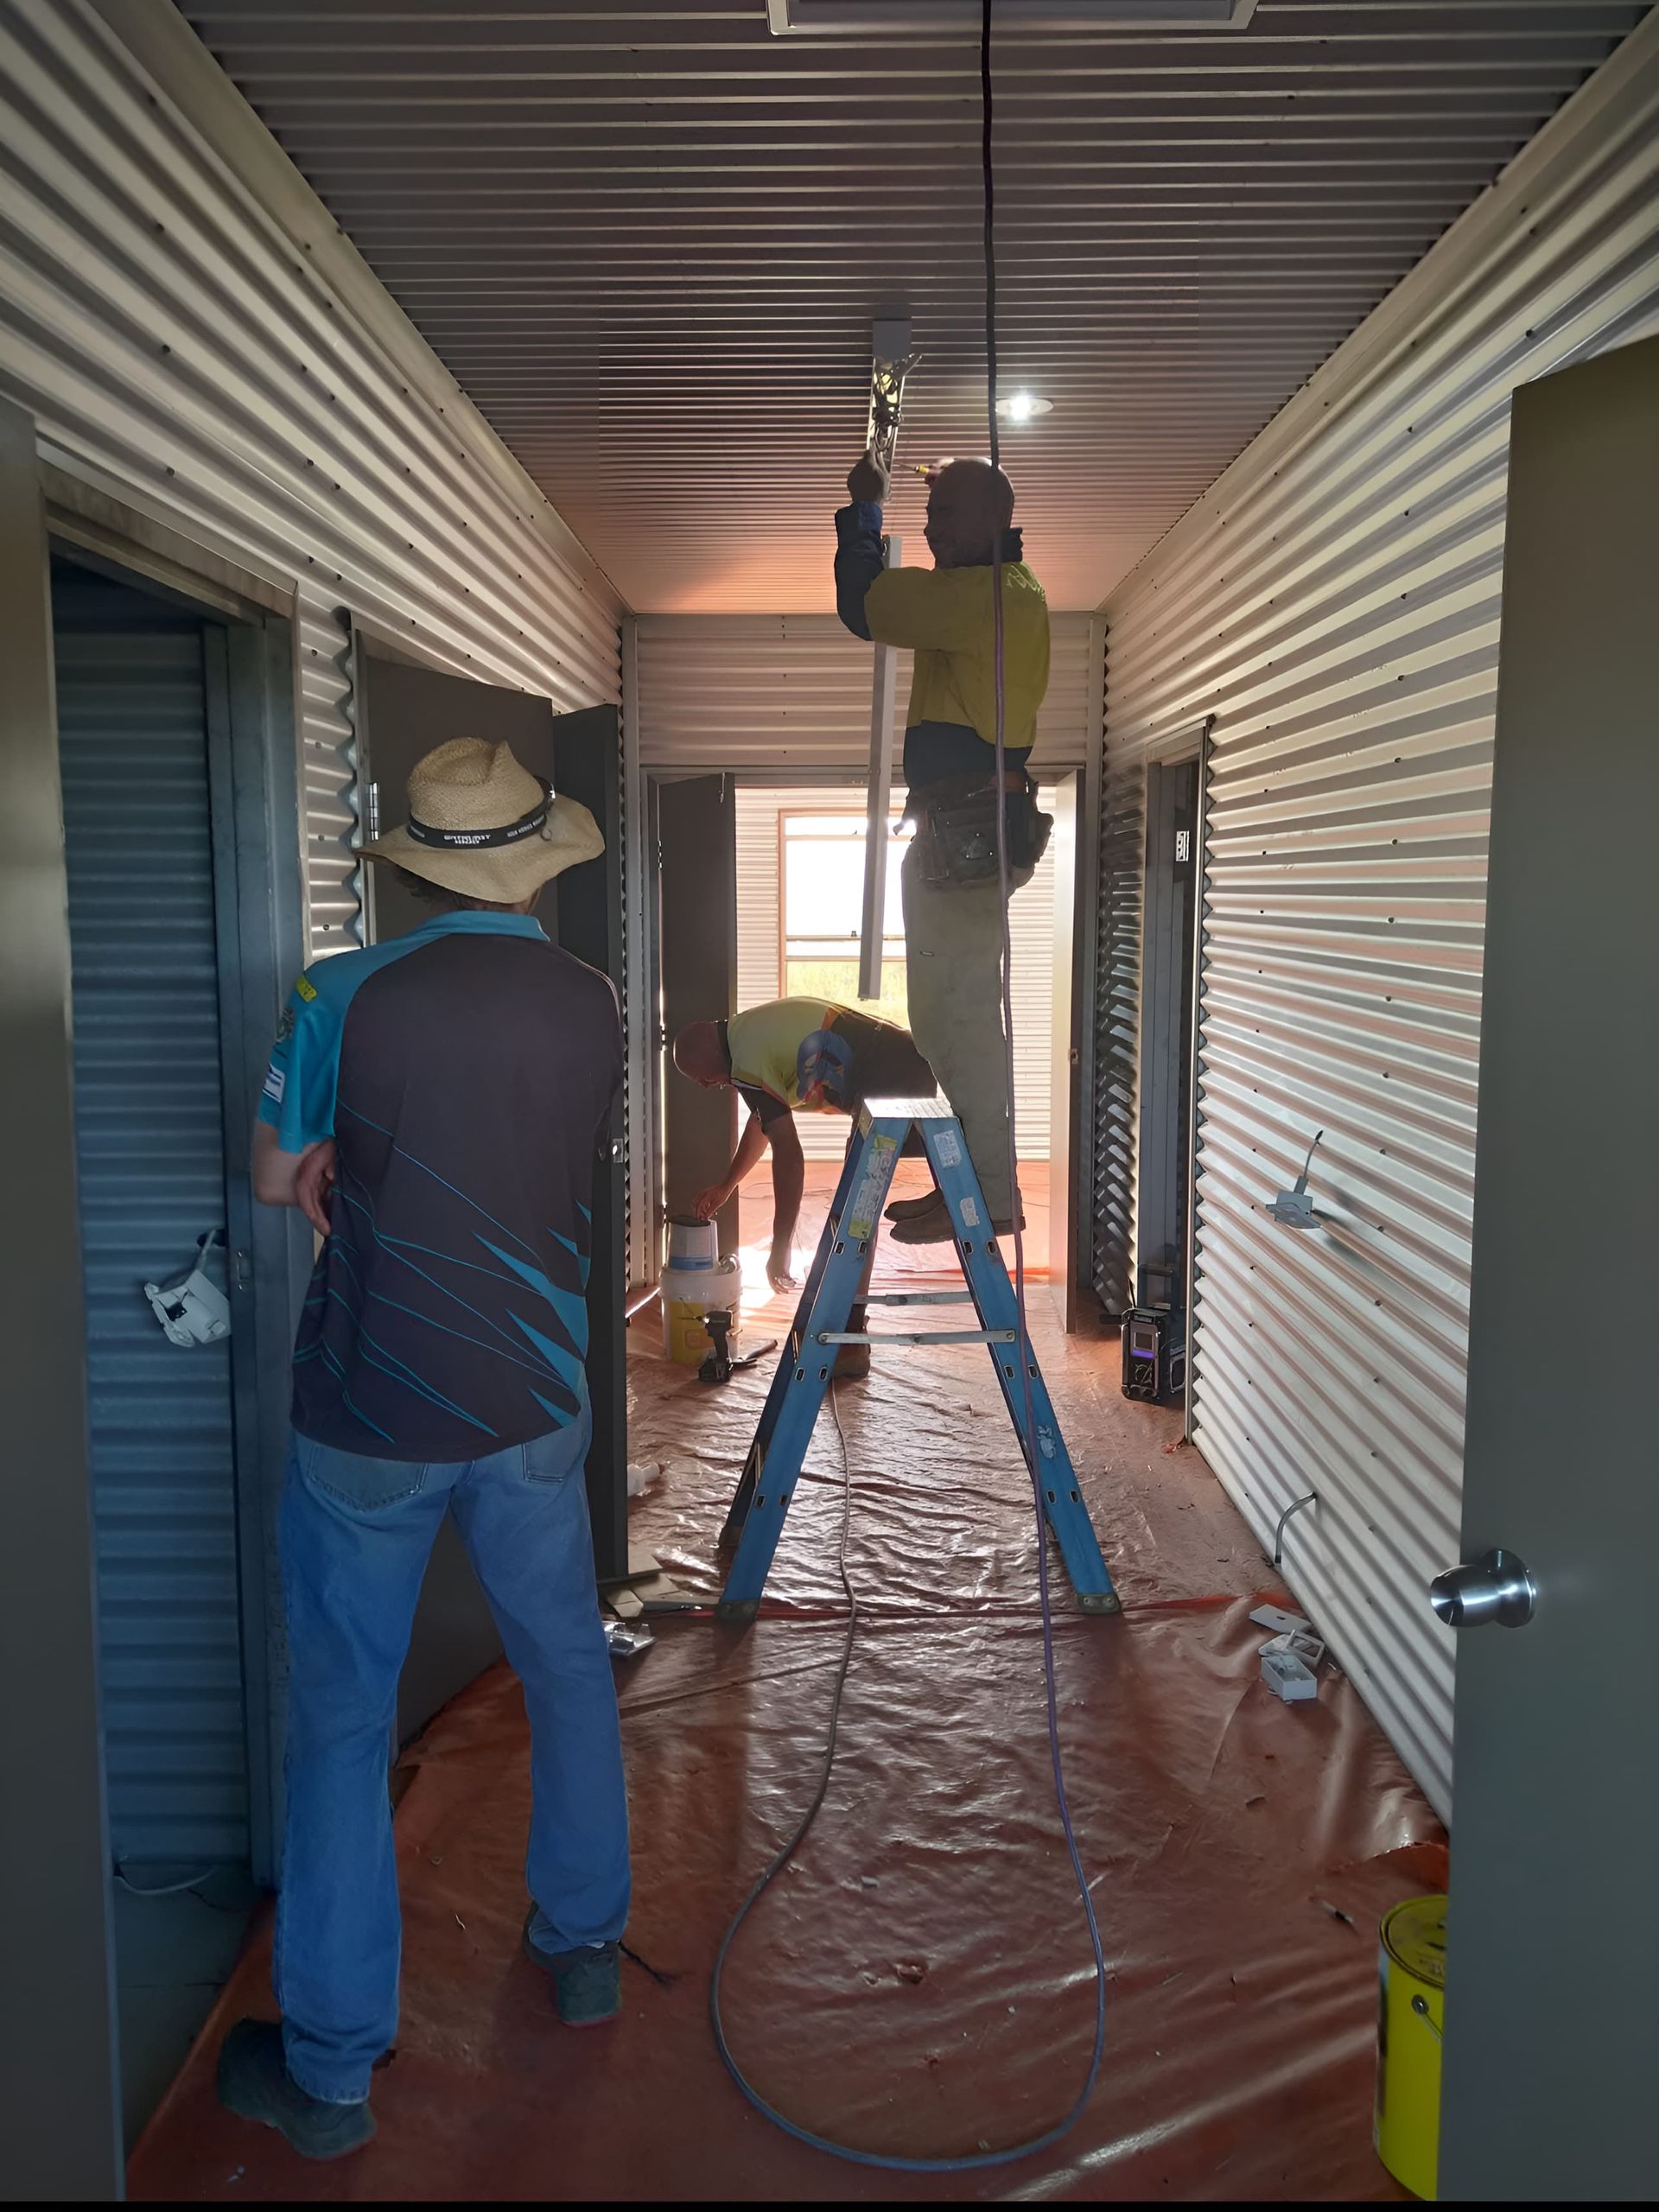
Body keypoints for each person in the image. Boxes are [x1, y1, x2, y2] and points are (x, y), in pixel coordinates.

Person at [217, 738, 631, 2162]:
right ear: (534, 863)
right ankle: (584, 1947)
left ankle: (331, 2076)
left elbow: (281, 1176)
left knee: (344, 1722)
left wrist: (335, 1168)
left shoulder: (343, 990)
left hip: (372, 1414)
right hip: (535, 1401)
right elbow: (547, 1158)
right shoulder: (592, 998)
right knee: (567, 1662)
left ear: (415, 866)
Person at [834, 453, 1051, 1243]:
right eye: (926, 522)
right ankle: (970, 1181)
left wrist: (866, 512)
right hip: (964, 834)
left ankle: (990, 1195)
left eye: (944, 519)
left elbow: (864, 607)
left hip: (966, 839)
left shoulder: (984, 597)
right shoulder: (995, 595)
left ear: (995, 519)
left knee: (958, 1022)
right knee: (947, 1018)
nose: (929, 534)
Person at [671, 995, 937, 1373]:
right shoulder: (746, 1039)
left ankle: (851, 1339)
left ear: (706, 1058)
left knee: (859, 1207)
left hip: (891, 1073)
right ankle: (850, 1337)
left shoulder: (744, 1057)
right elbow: (762, 1124)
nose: (703, 1085)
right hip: (899, 1061)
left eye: (698, 1077)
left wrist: (779, 1248)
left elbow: (790, 1157)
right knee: (859, 1201)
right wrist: (726, 1186)